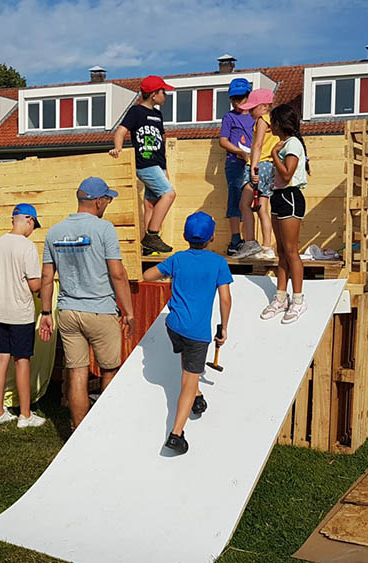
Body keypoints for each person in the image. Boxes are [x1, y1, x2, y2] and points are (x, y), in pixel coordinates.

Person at [39, 177, 136, 429]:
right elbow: (118, 273)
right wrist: (129, 311)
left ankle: (77, 430)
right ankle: (106, 427)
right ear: (98, 201)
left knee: (77, 372)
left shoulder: (55, 231)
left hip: (68, 311)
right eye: (108, 199)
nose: (108, 204)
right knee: (109, 370)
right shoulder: (104, 229)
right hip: (100, 311)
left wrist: (46, 312)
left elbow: (47, 276)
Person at [142, 212, 232, 454]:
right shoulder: (218, 263)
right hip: (197, 333)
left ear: (184, 236)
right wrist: (223, 328)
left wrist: (171, 274)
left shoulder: (178, 259)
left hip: (174, 326)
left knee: (188, 362)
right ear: (212, 237)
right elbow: (225, 298)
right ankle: (176, 434)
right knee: (188, 380)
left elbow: (147, 276)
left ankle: (198, 395)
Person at [0, 203, 46, 429]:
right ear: (29, 220)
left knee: (0, 360)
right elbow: (34, 285)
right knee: (22, 362)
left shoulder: (0, 243)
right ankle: (25, 414)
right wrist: (46, 281)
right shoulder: (27, 247)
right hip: (20, 314)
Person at [110, 75, 176, 255]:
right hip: (145, 163)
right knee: (169, 194)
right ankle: (153, 235)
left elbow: (160, 143)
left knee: (150, 204)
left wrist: (166, 170)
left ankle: (147, 247)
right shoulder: (136, 112)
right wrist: (118, 148)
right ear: (154, 94)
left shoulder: (158, 114)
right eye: (164, 92)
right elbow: (121, 132)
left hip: (158, 164)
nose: (166, 95)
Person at [258, 104, 311, 324]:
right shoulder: (285, 143)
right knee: (281, 250)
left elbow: (288, 173)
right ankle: (280, 297)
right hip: (279, 196)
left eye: (273, 121)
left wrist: (273, 155)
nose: (270, 125)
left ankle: (298, 299)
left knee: (291, 251)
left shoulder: (293, 144)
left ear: (281, 123)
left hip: (291, 197)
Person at [233, 88, 278, 260]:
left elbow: (257, 145)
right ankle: (267, 247)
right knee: (263, 209)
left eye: (253, 108)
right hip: (270, 166)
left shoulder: (262, 121)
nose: (250, 111)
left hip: (258, 164)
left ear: (264, 106)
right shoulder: (275, 122)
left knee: (244, 204)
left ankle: (251, 243)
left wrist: (253, 167)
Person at [217, 78, 253, 255]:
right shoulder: (229, 117)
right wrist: (240, 152)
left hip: (254, 164)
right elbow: (223, 141)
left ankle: (250, 239)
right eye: (234, 98)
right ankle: (235, 239)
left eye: (241, 98)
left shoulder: (256, 117)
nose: (238, 102)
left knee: (253, 201)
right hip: (235, 163)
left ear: (248, 96)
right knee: (235, 198)